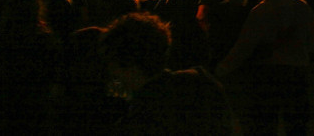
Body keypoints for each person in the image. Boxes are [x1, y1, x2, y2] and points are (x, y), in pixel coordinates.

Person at [216, 0, 314, 135]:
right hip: (297, 75)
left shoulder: (261, 10)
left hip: (267, 76)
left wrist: (222, 68)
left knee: (265, 126)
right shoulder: (302, 7)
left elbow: (244, 46)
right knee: (296, 127)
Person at [100, 12, 234, 135]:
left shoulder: (141, 116)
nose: (111, 71)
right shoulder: (201, 80)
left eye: (112, 63)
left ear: (129, 65)